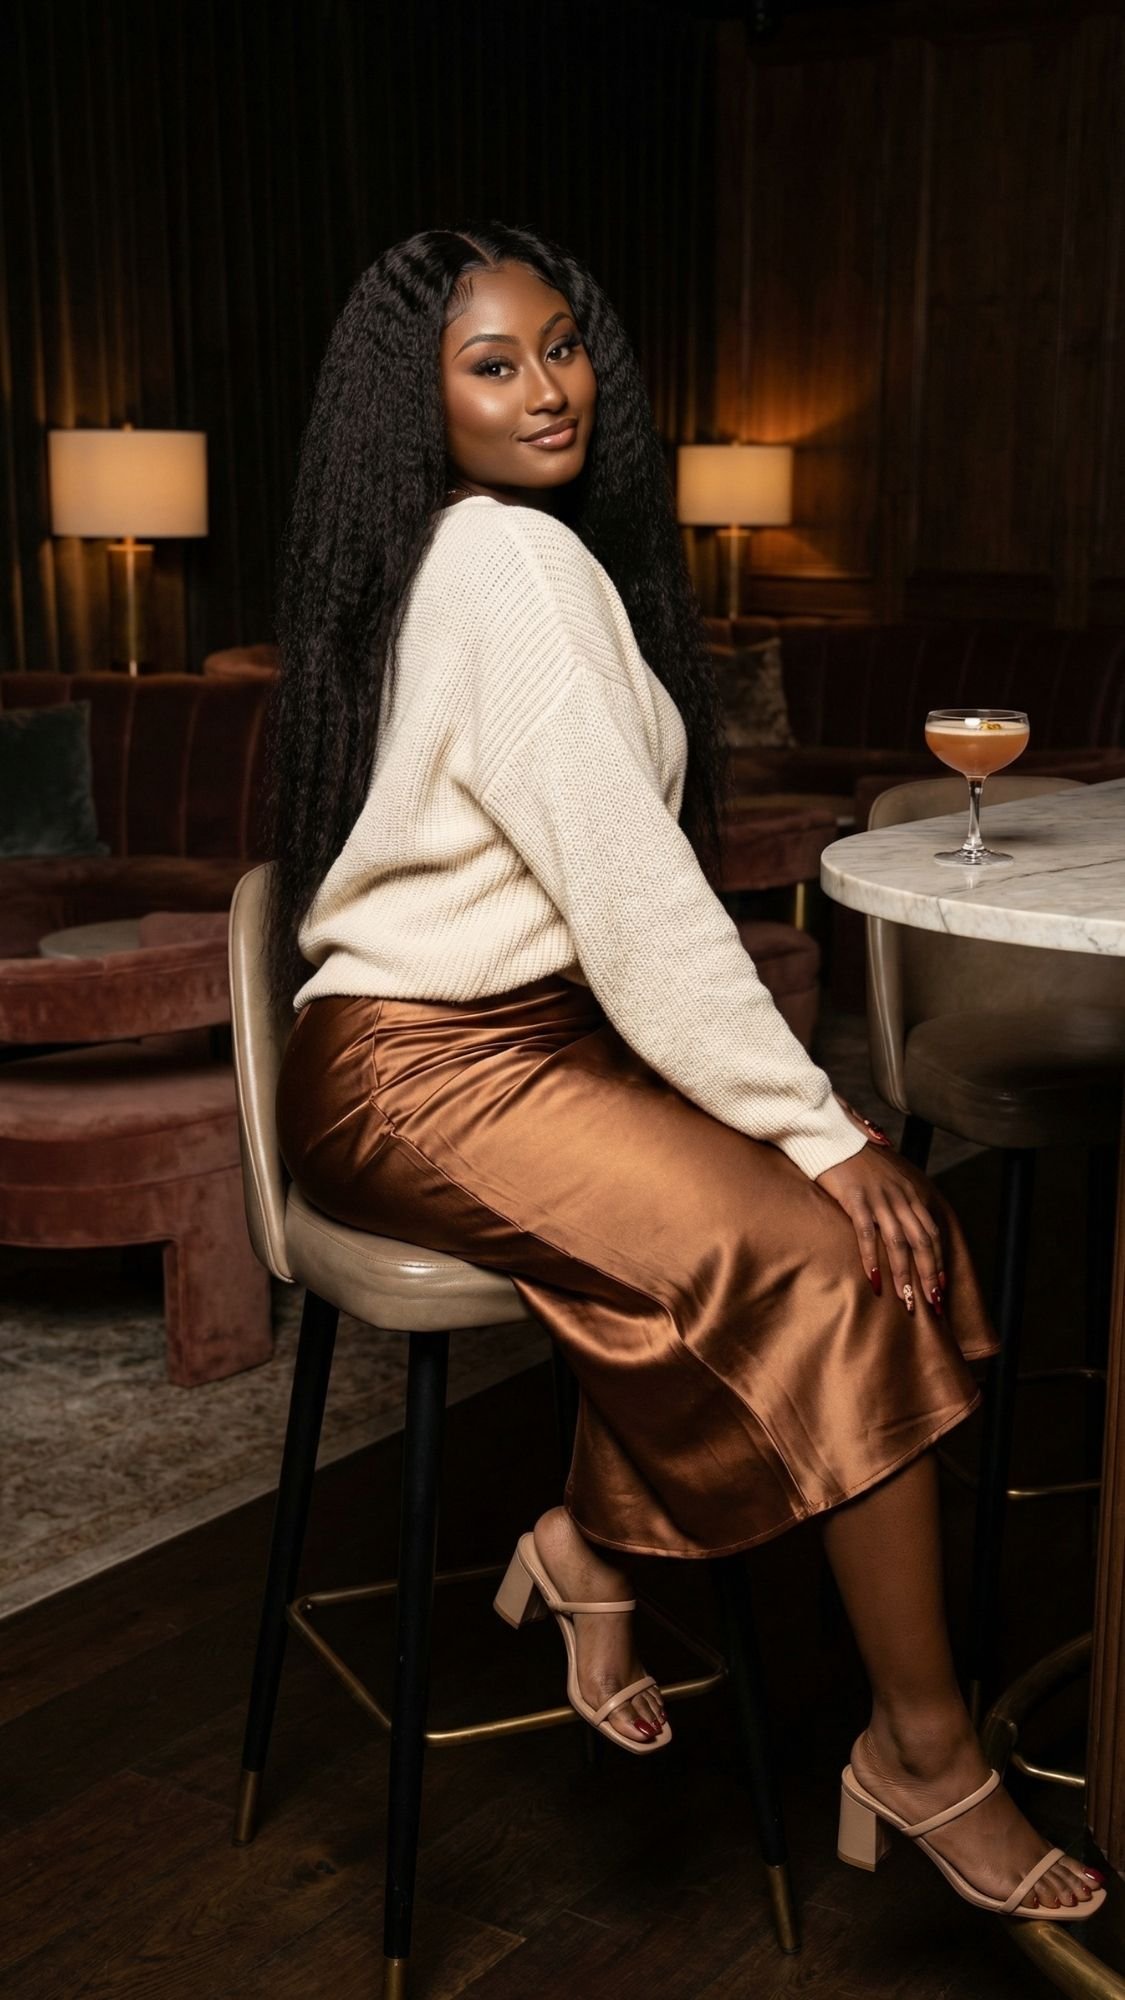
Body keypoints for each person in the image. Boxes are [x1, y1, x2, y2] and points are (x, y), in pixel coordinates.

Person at [264, 221, 1104, 1921]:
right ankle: (925, 1756)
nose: (545, 387)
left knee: (850, 1225)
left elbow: (603, 911)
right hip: (424, 1069)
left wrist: (803, 1126)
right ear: (415, 404)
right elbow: (636, 899)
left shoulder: (477, 554)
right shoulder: (502, 563)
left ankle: (589, 1540)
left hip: (486, 1052)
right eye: (490, 364)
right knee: (848, 1250)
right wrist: (808, 1129)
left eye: (561, 346)